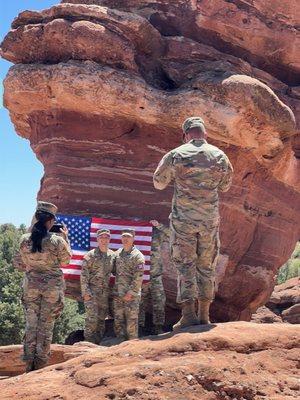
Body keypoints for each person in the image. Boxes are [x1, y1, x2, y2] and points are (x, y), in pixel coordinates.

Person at [153, 117, 233, 330]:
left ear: (185, 135)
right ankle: (205, 315)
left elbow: (158, 182)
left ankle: (188, 315)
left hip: (184, 222)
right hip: (208, 221)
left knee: (185, 264)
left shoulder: (176, 154)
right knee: (207, 266)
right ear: (205, 134)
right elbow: (225, 186)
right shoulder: (220, 156)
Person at [17, 201, 72, 371]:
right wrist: (66, 239)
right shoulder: (57, 241)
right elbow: (66, 261)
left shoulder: (24, 239)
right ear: (50, 222)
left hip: (31, 286)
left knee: (31, 325)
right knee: (46, 326)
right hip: (51, 289)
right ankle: (40, 365)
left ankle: (28, 362)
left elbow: (25, 261)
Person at [80, 229, 115, 344]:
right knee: (92, 320)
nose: (104, 240)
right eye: (101, 237)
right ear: (97, 239)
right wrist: (85, 293)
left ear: (109, 239)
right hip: (91, 293)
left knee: (101, 320)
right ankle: (87, 344)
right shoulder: (90, 256)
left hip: (104, 294)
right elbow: (84, 276)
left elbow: (118, 271)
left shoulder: (112, 256)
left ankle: (97, 345)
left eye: (106, 237)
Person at [113, 229, 145, 341]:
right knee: (118, 322)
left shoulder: (138, 256)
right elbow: (112, 270)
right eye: (124, 236)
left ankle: (132, 349)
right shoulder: (117, 254)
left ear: (133, 238)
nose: (125, 239)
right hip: (118, 294)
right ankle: (119, 348)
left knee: (131, 323)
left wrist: (130, 293)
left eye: (128, 236)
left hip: (132, 296)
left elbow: (138, 277)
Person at [139, 220, 167, 335]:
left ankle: (158, 327)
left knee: (159, 301)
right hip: (141, 276)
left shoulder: (157, 233)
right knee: (139, 303)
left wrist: (159, 225)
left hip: (156, 276)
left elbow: (172, 234)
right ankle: (139, 327)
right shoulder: (137, 232)